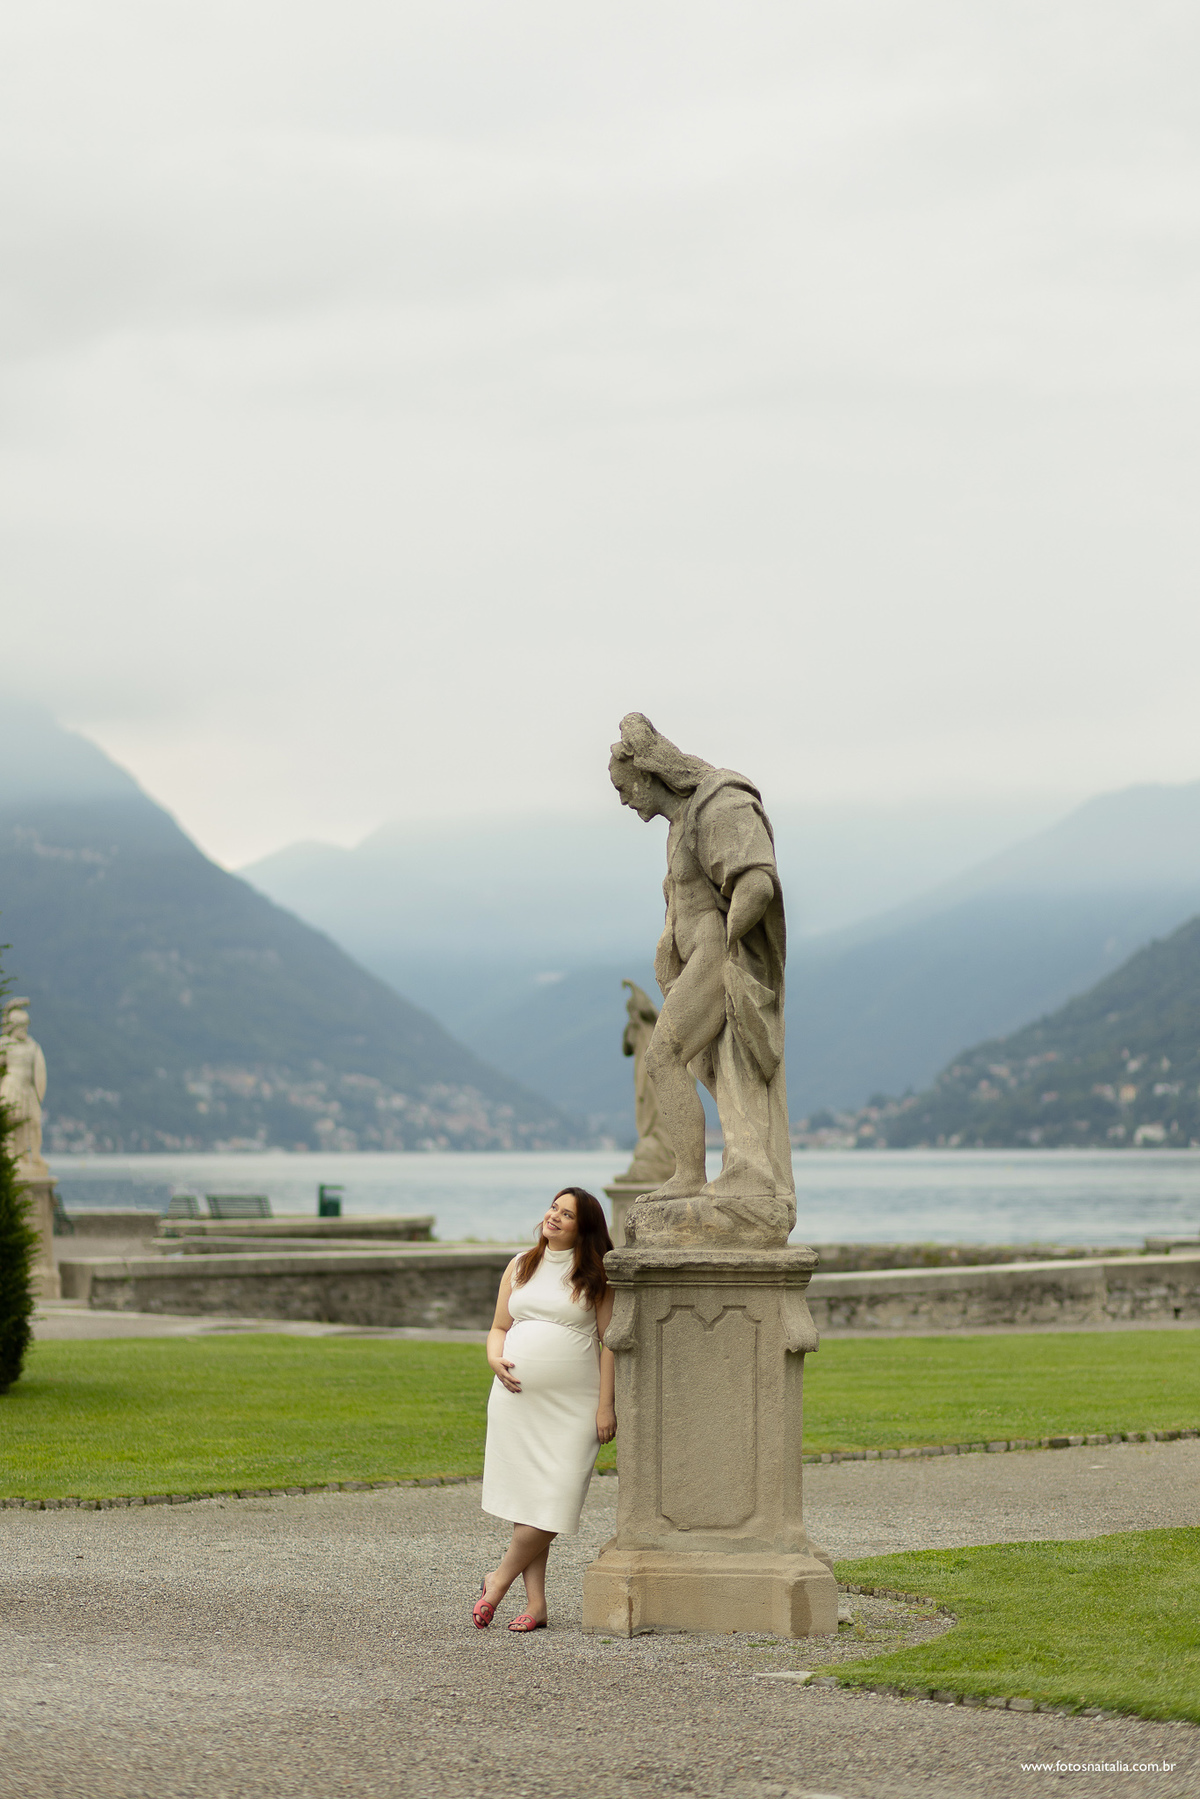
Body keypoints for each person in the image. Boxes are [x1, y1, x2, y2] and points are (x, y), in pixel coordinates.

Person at [608, 712, 795, 1247]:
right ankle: (718, 1171)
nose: (623, 800)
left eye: (624, 788)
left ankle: (689, 1174)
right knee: (690, 1062)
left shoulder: (717, 802)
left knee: (661, 1057)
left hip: (716, 957)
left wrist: (733, 953)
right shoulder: (678, 826)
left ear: (648, 773)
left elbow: (755, 884)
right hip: (698, 964)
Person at [475, 1187, 616, 1632]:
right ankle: (536, 1605)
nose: (554, 1217)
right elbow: (500, 1326)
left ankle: (496, 1582)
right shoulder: (520, 1265)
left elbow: (610, 1343)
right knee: (530, 1503)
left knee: (556, 1498)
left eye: (567, 1214)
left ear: (584, 1227)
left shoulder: (595, 1274)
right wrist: (494, 1357)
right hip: (517, 1401)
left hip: (575, 1405)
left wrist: (605, 1407)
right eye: (554, 1207)